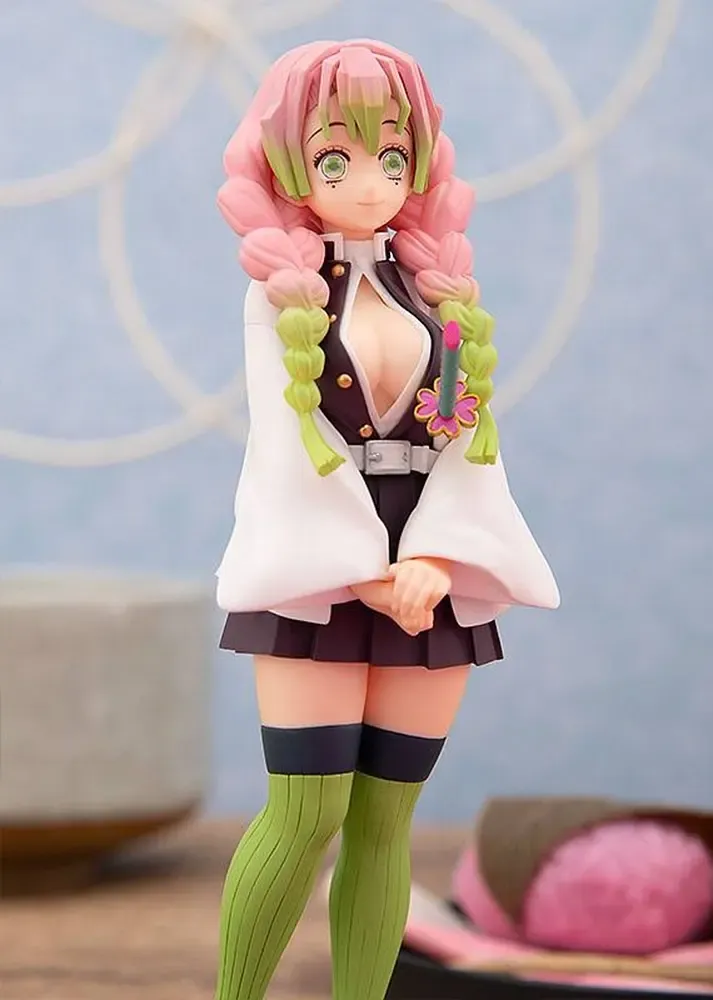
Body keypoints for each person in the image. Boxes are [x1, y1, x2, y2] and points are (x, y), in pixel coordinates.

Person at [213, 38, 560, 1000]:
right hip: (319, 572)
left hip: (427, 565)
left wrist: (440, 557)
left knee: (384, 820)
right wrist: (358, 570)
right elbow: (282, 447)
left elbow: (468, 434)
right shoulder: (278, 297)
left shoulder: (441, 292)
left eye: (392, 155)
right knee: (305, 811)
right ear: (289, 163)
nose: (369, 183)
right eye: (336, 158)